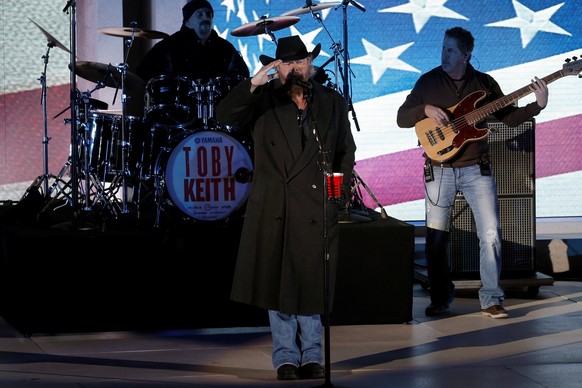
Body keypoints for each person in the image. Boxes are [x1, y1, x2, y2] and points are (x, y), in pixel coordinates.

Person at [215, 35, 356, 380]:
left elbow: (343, 152)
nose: (295, 68)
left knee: (311, 282)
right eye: (286, 63)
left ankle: (312, 355)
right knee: (277, 283)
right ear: (277, 68)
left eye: (300, 61)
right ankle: (285, 358)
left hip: (315, 204)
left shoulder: (331, 102)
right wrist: (252, 83)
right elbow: (224, 114)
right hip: (275, 203)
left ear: (310, 64)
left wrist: (335, 196)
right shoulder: (262, 101)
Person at [396, 27, 548, 319]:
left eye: (450, 50)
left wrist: (537, 106)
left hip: (477, 169)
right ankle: (440, 299)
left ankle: (491, 297)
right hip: (439, 170)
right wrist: (424, 109)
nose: (444, 55)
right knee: (436, 238)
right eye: (443, 49)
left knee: (490, 235)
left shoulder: (485, 84)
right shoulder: (427, 82)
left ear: (466, 55)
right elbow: (403, 118)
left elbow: (510, 118)